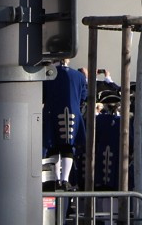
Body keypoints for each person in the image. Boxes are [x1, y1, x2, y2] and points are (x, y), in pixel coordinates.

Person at [42, 59, 88, 190]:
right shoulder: (79, 76)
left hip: (52, 113)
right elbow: (83, 97)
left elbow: (43, 95)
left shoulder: (48, 75)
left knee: (54, 145)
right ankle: (65, 179)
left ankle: (56, 178)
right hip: (73, 113)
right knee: (68, 146)